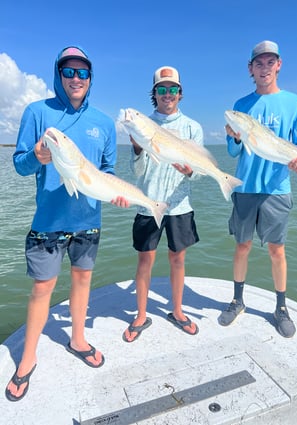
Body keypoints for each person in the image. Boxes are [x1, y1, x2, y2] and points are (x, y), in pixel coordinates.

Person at [6, 46, 128, 402]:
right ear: (58, 74)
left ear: (91, 78)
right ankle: (27, 359)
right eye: (69, 71)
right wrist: (37, 156)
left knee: (82, 281)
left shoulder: (104, 123)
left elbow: (108, 173)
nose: (76, 78)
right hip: (48, 222)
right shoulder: (37, 112)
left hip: (89, 221)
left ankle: (78, 339)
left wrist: (115, 193)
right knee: (42, 289)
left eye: (83, 72)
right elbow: (20, 164)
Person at [221, 40, 297, 338]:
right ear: (250, 68)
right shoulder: (241, 106)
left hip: (277, 188)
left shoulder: (296, 103)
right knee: (242, 245)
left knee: (277, 250)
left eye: (270, 62)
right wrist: (235, 138)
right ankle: (237, 300)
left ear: (279, 65)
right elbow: (234, 152)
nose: (264, 68)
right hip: (246, 187)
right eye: (258, 63)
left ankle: (281, 307)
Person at [122, 66, 204, 342]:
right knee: (145, 259)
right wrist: (136, 148)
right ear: (154, 94)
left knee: (178, 259)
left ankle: (178, 311)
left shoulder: (193, 128)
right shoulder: (142, 125)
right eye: (161, 89)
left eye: (172, 89)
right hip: (147, 204)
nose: (167, 94)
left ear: (180, 94)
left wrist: (190, 171)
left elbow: (198, 172)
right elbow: (137, 172)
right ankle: (141, 315)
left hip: (180, 205)